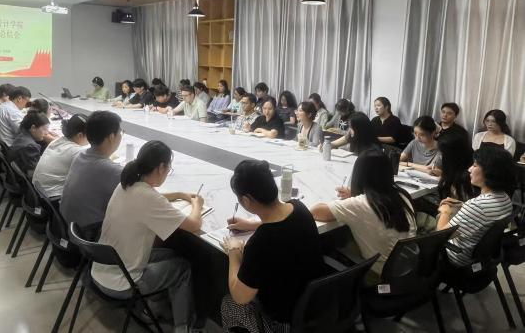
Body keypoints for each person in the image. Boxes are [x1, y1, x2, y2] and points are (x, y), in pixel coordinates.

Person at [91, 141, 203, 333]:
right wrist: (197, 204)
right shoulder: (149, 198)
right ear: (161, 168)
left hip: (101, 269)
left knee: (169, 255)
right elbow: (194, 224)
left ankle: (152, 307)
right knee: (182, 268)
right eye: (168, 169)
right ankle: (183, 328)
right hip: (122, 283)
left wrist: (179, 194)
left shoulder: (126, 184)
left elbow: (153, 198)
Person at [222, 160, 324, 332]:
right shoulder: (299, 208)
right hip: (318, 307)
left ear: (245, 200)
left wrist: (234, 252)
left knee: (229, 304)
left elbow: (240, 296)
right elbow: (283, 223)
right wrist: (252, 224)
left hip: (285, 322)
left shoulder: (261, 242)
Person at [311, 153, 417, 274]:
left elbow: (315, 211)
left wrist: (352, 199)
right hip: (408, 268)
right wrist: (355, 194)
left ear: (359, 175)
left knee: (331, 244)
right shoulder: (403, 195)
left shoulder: (359, 204)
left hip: (378, 274)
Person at [437, 146, 514, 267]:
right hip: (481, 258)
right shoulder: (505, 198)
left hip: (456, 258)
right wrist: (463, 205)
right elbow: (483, 215)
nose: (469, 169)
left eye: (474, 165)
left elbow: (441, 235)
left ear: (489, 172)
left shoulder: (477, 206)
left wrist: (445, 211)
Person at [60, 111, 123, 227]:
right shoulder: (110, 170)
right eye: (121, 132)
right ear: (111, 137)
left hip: (66, 223)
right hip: (88, 231)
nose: (121, 136)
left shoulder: (81, 156)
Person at [32, 114, 89, 199]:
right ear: (80, 135)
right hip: (51, 198)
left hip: (37, 191)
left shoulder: (58, 140)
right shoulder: (77, 151)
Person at [0, 86, 31, 152]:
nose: (26, 105)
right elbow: (23, 133)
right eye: (27, 102)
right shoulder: (13, 111)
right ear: (19, 99)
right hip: (7, 150)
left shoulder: (3, 105)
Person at [7, 111, 50, 176]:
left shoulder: (22, 133)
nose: (47, 133)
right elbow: (33, 172)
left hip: (19, 169)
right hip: (26, 178)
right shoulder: (30, 146)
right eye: (44, 129)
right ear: (33, 128)